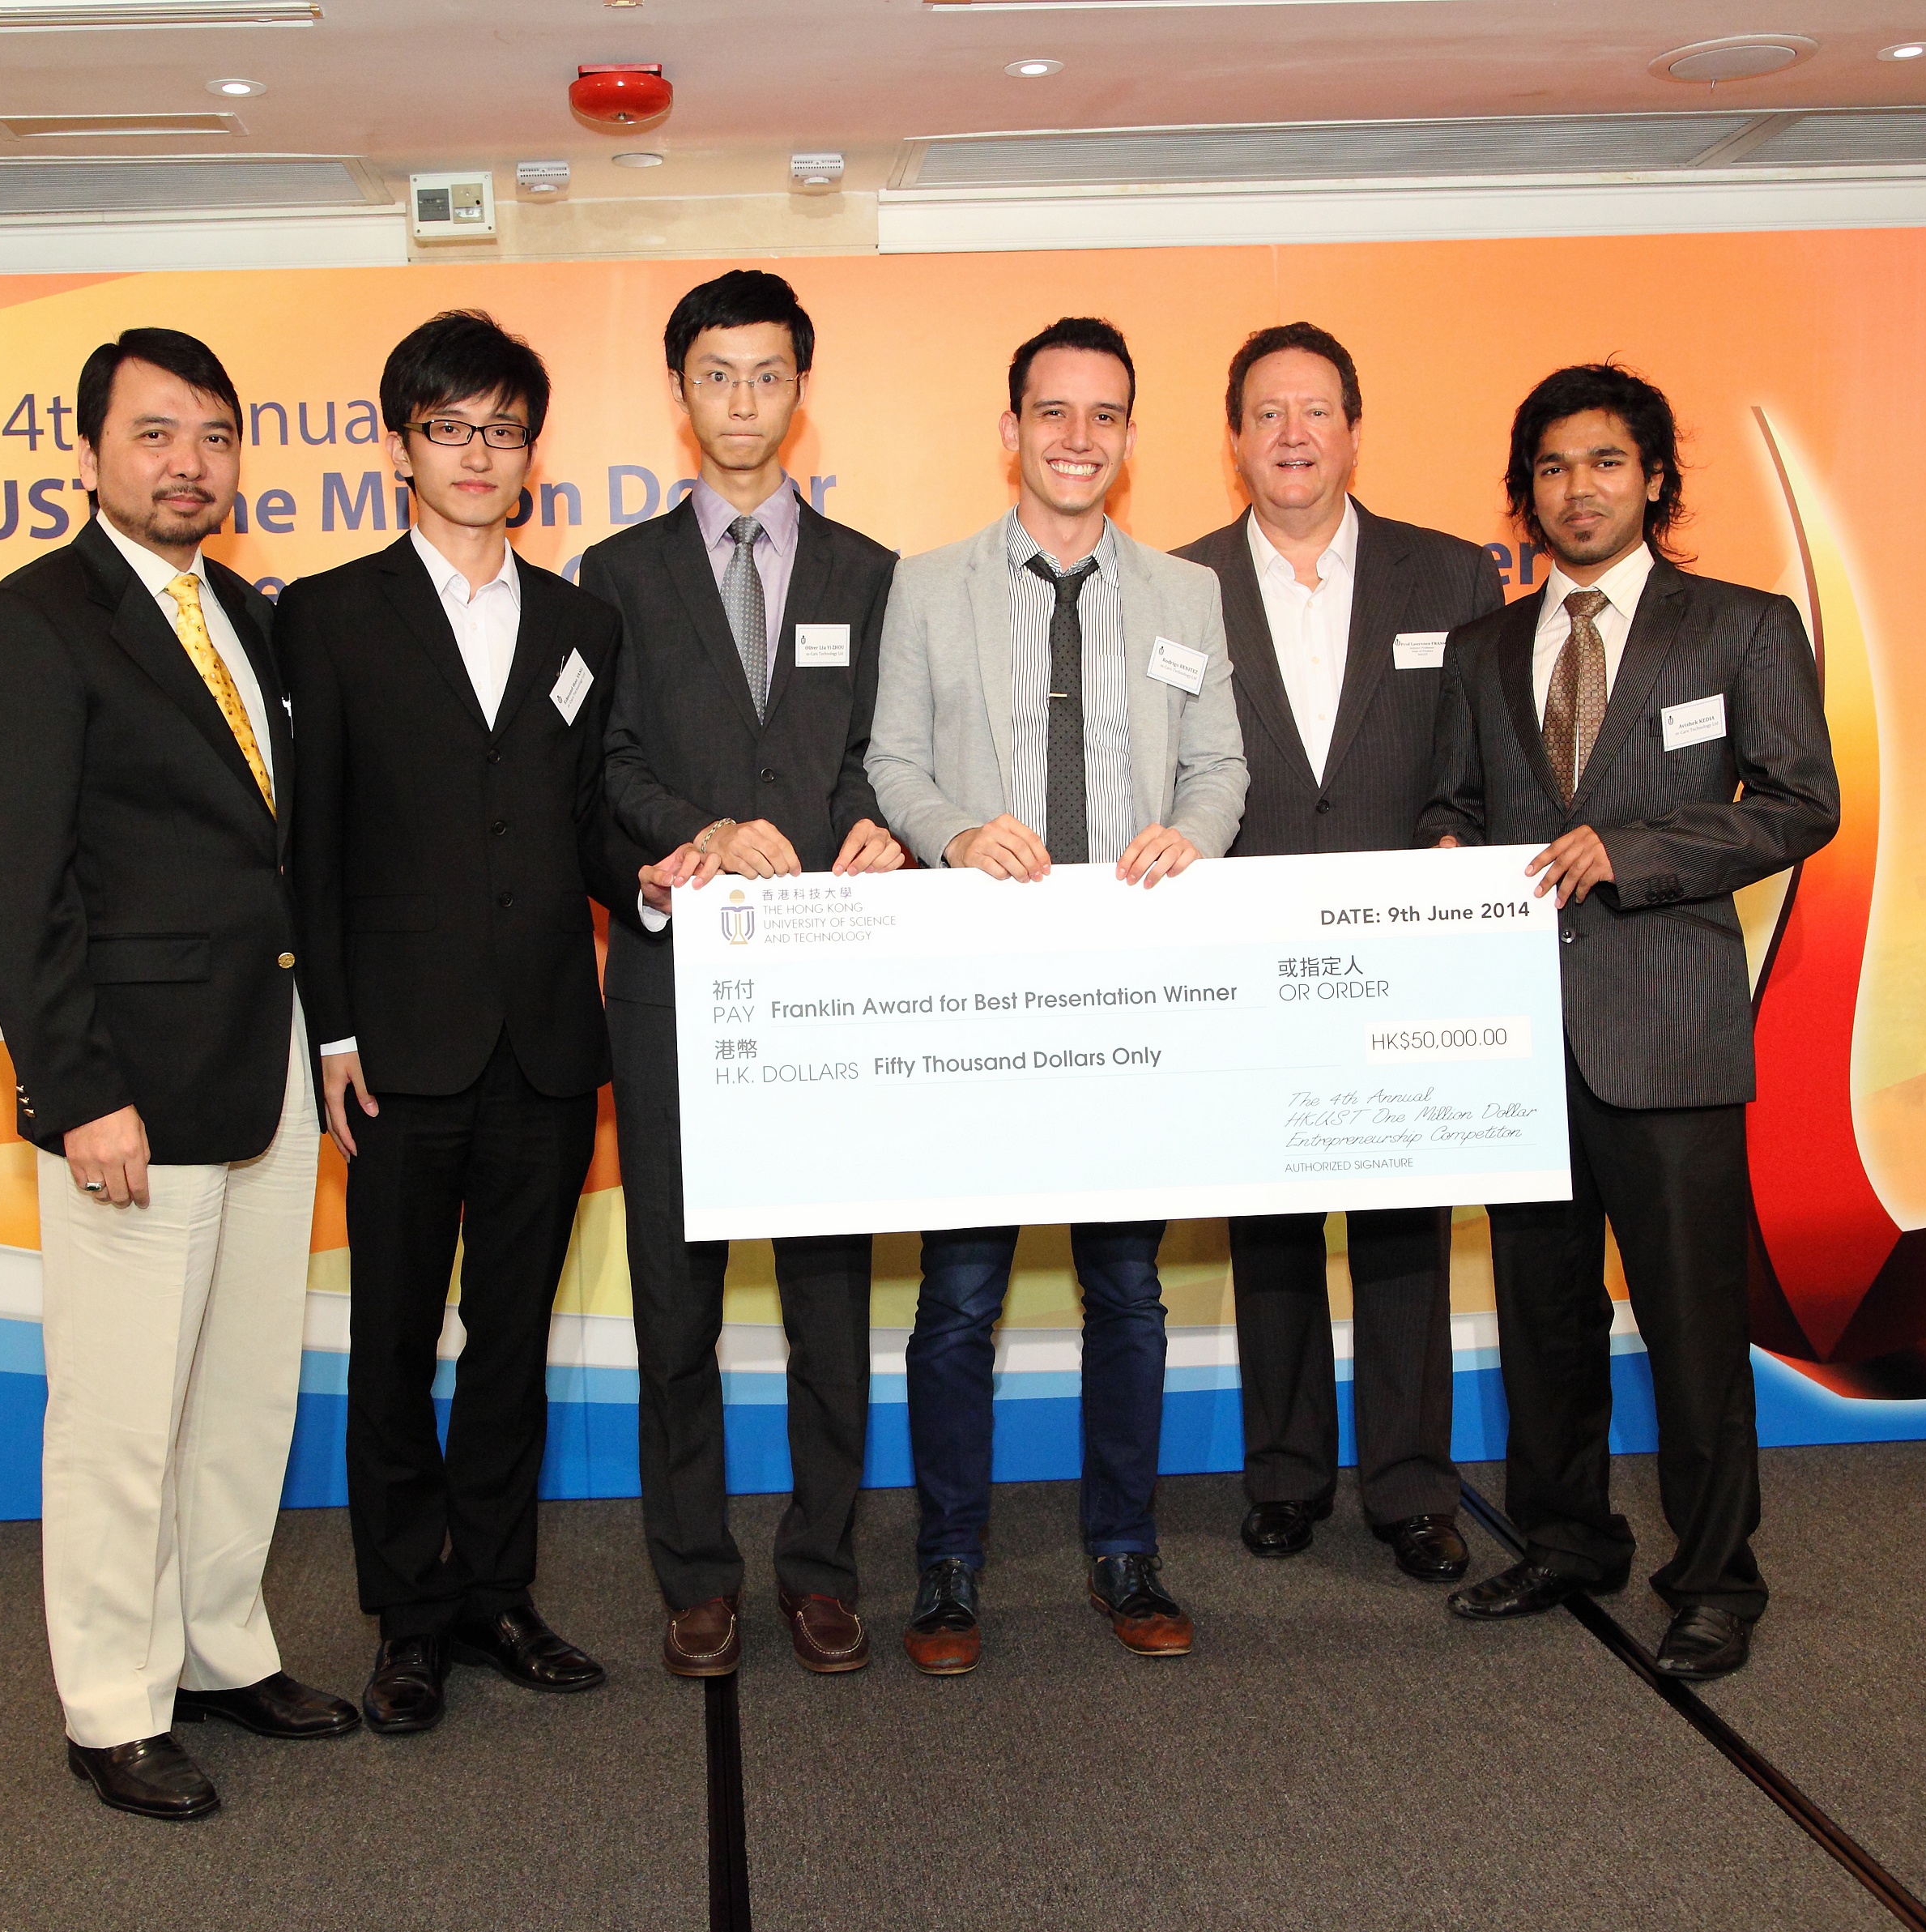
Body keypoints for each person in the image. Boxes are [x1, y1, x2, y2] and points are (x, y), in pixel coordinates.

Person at [0, 326, 351, 1823]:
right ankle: (111, 1704)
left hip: (271, 1070)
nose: (191, 464)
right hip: (130, 1091)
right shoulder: (33, 627)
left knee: (245, 1399)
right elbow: (14, 884)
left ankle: (218, 1648)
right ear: (93, 454)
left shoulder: (250, 614)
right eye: (157, 435)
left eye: (215, 436)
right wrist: (75, 1091)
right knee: (120, 1414)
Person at [1421, 361, 1839, 1682]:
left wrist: (1640, 850)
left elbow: (1798, 803)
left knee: (1692, 1329)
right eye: (1551, 468)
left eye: (1604, 463)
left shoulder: (1741, 625)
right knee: (1543, 1316)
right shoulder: (1486, 648)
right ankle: (1566, 1539)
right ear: (1524, 494)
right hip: (1518, 1046)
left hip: (1668, 1034)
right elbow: (1455, 804)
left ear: (1654, 478)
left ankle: (1717, 1577)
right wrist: (1441, 854)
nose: (1577, 490)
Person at [864, 316, 1248, 1673]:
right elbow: (892, 762)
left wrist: (1191, 834)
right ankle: (950, 1568)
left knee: (1127, 1290)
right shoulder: (928, 585)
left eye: (1104, 416)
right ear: (1012, 426)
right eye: (1053, 412)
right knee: (958, 1297)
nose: (1077, 438)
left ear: (1132, 438)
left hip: (1130, 984)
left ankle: (1124, 1550)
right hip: (982, 990)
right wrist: (958, 832)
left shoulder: (1186, 594)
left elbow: (1220, 767)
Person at [279, 311, 633, 1734]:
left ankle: (497, 1595)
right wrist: (334, 1029)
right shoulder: (330, 613)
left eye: (501, 429)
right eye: (448, 428)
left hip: (549, 1048)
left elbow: (589, 825)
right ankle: (406, 1620)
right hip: (398, 1059)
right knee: (391, 1347)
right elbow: (312, 847)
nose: (477, 454)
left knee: (508, 1345)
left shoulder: (580, 624)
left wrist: (666, 873)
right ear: (398, 445)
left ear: (530, 450)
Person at [583, 271, 907, 1680]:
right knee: (679, 1297)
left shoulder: (872, 574)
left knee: (832, 1297)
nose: (742, 404)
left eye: (768, 376)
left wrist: (885, 830)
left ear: (799, 390)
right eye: (717, 376)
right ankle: (696, 1576)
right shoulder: (616, 576)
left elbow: (884, 757)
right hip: (675, 991)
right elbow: (603, 771)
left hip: (832, 991)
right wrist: (697, 835)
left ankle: (823, 1566)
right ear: (681, 393)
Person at [1173, 325, 1506, 1584]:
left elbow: (1487, 764)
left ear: (1355, 430)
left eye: (1316, 411)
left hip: (1403, 957)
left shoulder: (1452, 577)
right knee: (1270, 1222)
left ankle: (1415, 1487)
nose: (1293, 435)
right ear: (1236, 440)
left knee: (1404, 1224)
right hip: (1245, 953)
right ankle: (1286, 1476)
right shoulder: (1179, 585)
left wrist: (1444, 847)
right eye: (1267, 414)